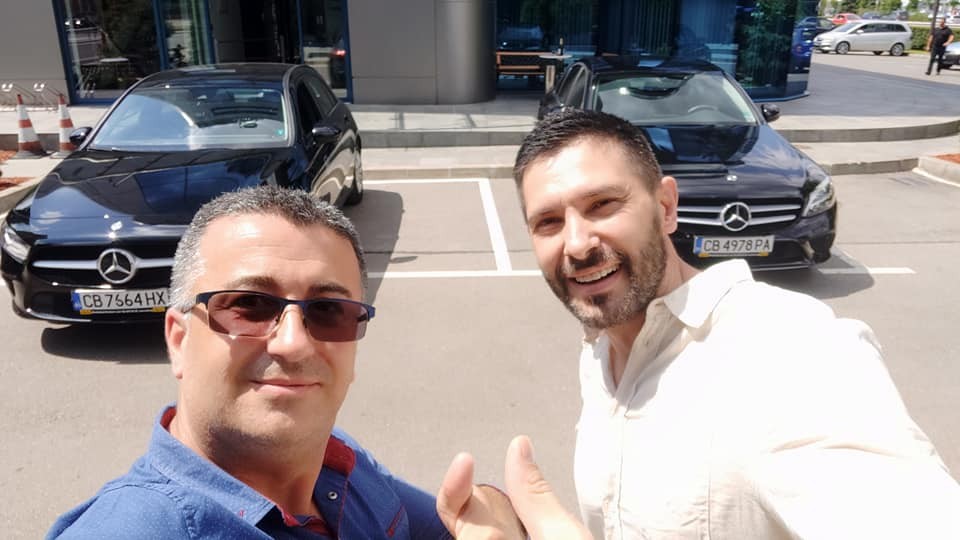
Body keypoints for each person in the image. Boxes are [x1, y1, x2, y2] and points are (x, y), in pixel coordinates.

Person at [470, 109, 960, 539]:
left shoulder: (790, 350)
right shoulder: (603, 350)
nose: (577, 244)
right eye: (549, 222)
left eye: (602, 205)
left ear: (665, 207)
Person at [47, 186, 521, 539]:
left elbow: (449, 523)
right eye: (249, 305)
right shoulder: (132, 529)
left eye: (329, 311)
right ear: (178, 339)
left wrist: (490, 509)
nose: (293, 344)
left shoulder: (336, 462)